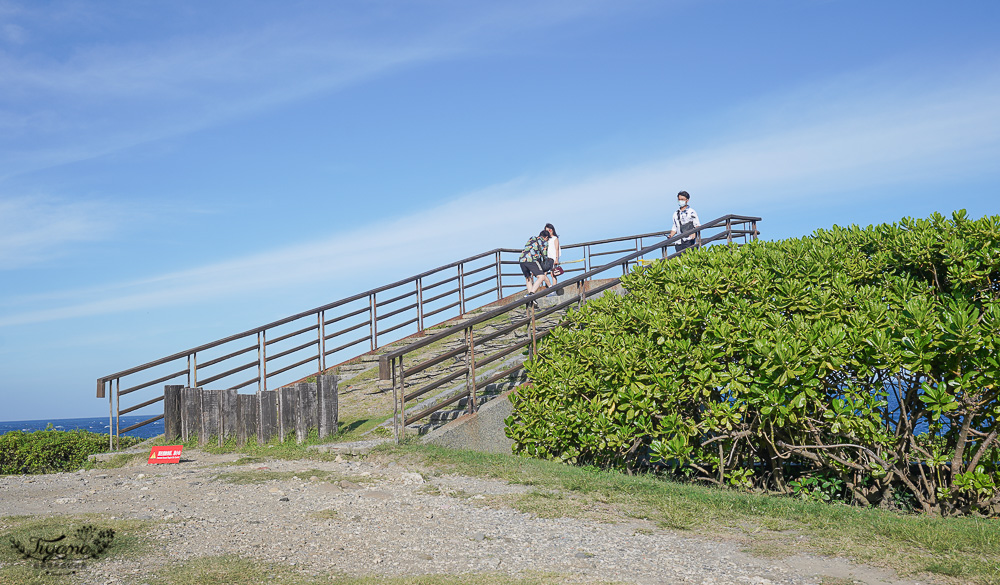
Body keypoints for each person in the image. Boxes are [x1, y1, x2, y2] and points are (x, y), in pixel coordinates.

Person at [518, 229, 553, 296]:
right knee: (541, 276)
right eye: (548, 239)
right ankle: (531, 293)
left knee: (528, 278)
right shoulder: (544, 243)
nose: (548, 240)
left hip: (522, 259)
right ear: (546, 237)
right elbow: (544, 256)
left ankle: (530, 298)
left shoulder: (532, 238)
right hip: (531, 260)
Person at [667, 190, 700, 256]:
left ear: (687, 200)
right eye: (679, 199)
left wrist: (694, 232)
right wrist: (670, 235)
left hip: (688, 239)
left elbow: (697, 225)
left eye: (682, 199)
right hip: (678, 241)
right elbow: (675, 227)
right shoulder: (676, 214)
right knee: (679, 258)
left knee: (689, 256)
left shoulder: (691, 212)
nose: (680, 201)